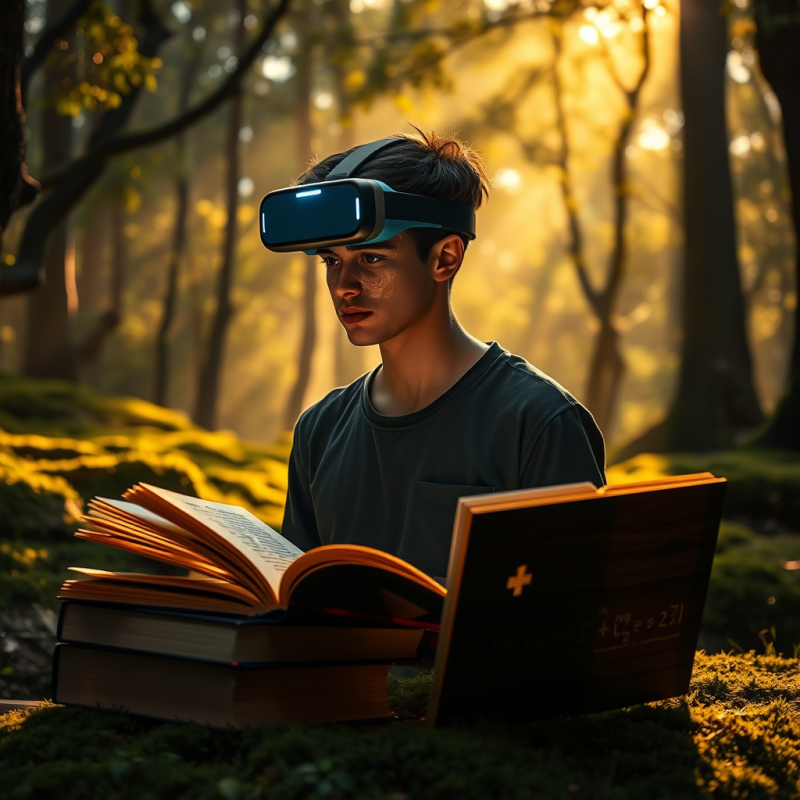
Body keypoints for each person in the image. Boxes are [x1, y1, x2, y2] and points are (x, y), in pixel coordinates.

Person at [280, 128, 605, 580]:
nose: (343, 286)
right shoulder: (319, 430)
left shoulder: (538, 423)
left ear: (445, 258)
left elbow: (574, 618)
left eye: (371, 259)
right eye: (331, 260)